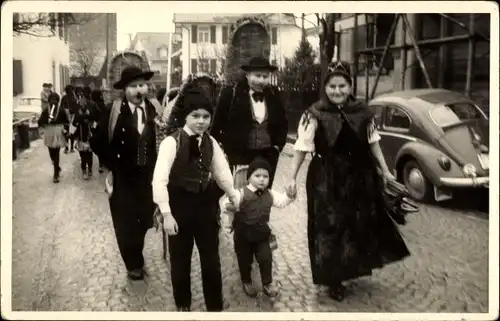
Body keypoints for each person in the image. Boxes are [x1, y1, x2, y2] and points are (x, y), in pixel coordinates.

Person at [285, 61, 411, 302]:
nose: (337, 91)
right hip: (325, 177)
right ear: (325, 87)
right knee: (329, 226)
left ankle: (349, 268)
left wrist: (385, 172)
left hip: (358, 175)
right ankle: (333, 278)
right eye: (332, 86)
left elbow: (373, 142)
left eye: (342, 86)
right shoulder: (314, 113)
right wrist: (291, 177)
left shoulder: (362, 111)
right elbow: (301, 148)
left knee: (354, 224)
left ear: (350, 86)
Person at [152, 86, 238, 312]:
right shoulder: (172, 142)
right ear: (185, 116)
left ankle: (214, 307)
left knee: (211, 260)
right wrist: (167, 214)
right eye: (195, 116)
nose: (201, 121)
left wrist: (233, 196)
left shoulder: (211, 142)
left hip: (205, 207)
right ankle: (183, 304)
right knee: (180, 260)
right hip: (179, 208)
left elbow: (222, 173)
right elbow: (159, 179)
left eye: (206, 116)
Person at [90, 66, 158, 281]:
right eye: (133, 86)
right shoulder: (113, 111)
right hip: (123, 178)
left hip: (148, 177)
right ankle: (133, 263)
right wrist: (112, 165)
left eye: (142, 85)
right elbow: (97, 141)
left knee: (145, 219)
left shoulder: (154, 109)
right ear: (124, 90)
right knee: (125, 222)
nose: (139, 90)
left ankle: (136, 253)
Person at [221, 157, 296, 299]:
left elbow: (281, 202)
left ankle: (267, 283)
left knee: (266, 258)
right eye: (257, 176)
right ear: (249, 177)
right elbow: (226, 203)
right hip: (243, 235)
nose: (262, 179)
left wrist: (289, 196)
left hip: (262, 234)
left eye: (265, 176)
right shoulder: (240, 193)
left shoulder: (271, 194)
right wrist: (229, 206)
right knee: (244, 259)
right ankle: (246, 281)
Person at [211, 57, 288, 188]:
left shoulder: (274, 94)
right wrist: (225, 149)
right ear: (247, 75)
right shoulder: (231, 93)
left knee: (262, 198)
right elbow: (217, 125)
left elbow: (283, 123)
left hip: (267, 157)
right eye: (257, 76)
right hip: (240, 157)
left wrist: (276, 147)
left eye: (265, 76)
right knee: (239, 198)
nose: (261, 81)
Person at [37, 92, 69, 183]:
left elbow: (66, 122)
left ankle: (55, 175)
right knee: (51, 153)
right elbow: (40, 121)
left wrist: (65, 130)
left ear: (58, 101)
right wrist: (43, 127)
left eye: (55, 100)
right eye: (52, 100)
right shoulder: (46, 111)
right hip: (49, 133)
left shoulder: (62, 110)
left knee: (56, 153)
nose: (54, 102)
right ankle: (57, 167)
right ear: (49, 101)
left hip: (58, 132)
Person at [72, 102, 94, 180]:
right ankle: (88, 170)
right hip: (86, 140)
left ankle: (86, 171)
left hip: (85, 140)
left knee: (85, 157)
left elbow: (74, 124)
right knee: (87, 157)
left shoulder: (80, 118)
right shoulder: (89, 118)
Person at [91, 89, 107, 173]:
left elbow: (93, 117)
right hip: (104, 128)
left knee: (97, 146)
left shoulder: (93, 105)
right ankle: (102, 163)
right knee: (103, 146)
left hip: (96, 128)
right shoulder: (103, 104)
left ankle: (101, 164)